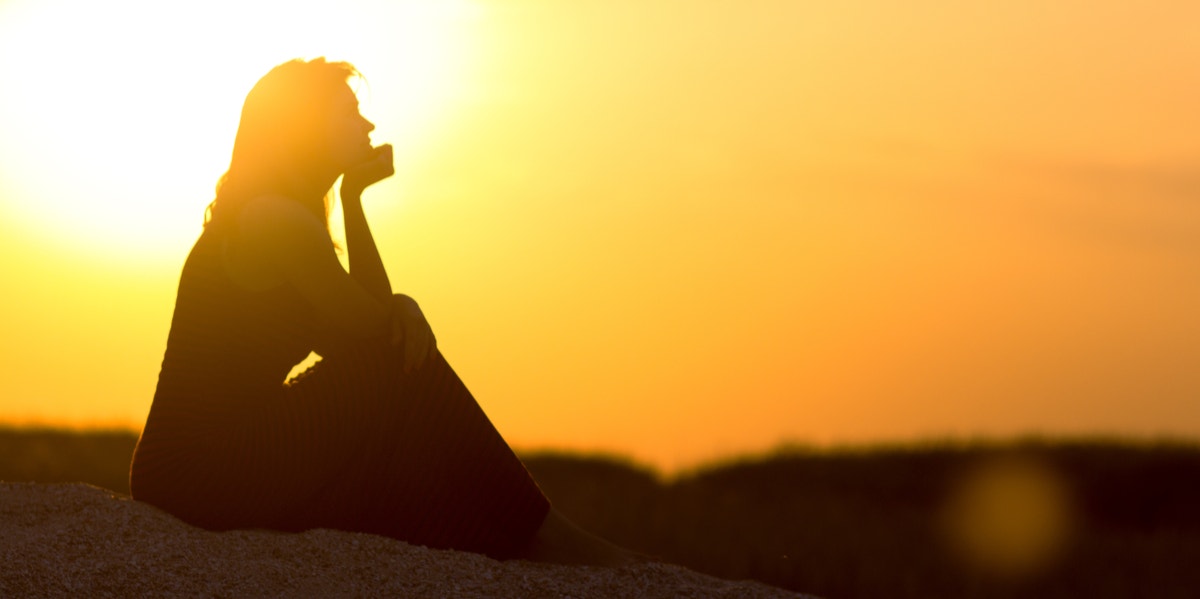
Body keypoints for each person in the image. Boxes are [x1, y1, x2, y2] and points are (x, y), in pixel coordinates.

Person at [130, 57, 637, 565]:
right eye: (350, 111)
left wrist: (354, 200)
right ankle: (553, 535)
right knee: (399, 363)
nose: (368, 125)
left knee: (385, 457)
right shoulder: (272, 219)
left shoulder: (287, 215)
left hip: (223, 458)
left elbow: (362, 334)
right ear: (304, 127)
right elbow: (377, 340)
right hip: (196, 471)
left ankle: (527, 543)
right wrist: (402, 307)